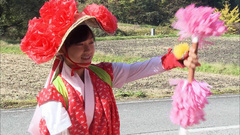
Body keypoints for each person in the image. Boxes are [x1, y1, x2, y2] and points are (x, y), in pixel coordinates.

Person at [21, 0, 199, 135]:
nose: (88, 50)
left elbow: (139, 69)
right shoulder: (54, 95)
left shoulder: (102, 74)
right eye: (80, 45)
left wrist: (174, 59)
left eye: (91, 42)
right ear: (62, 50)